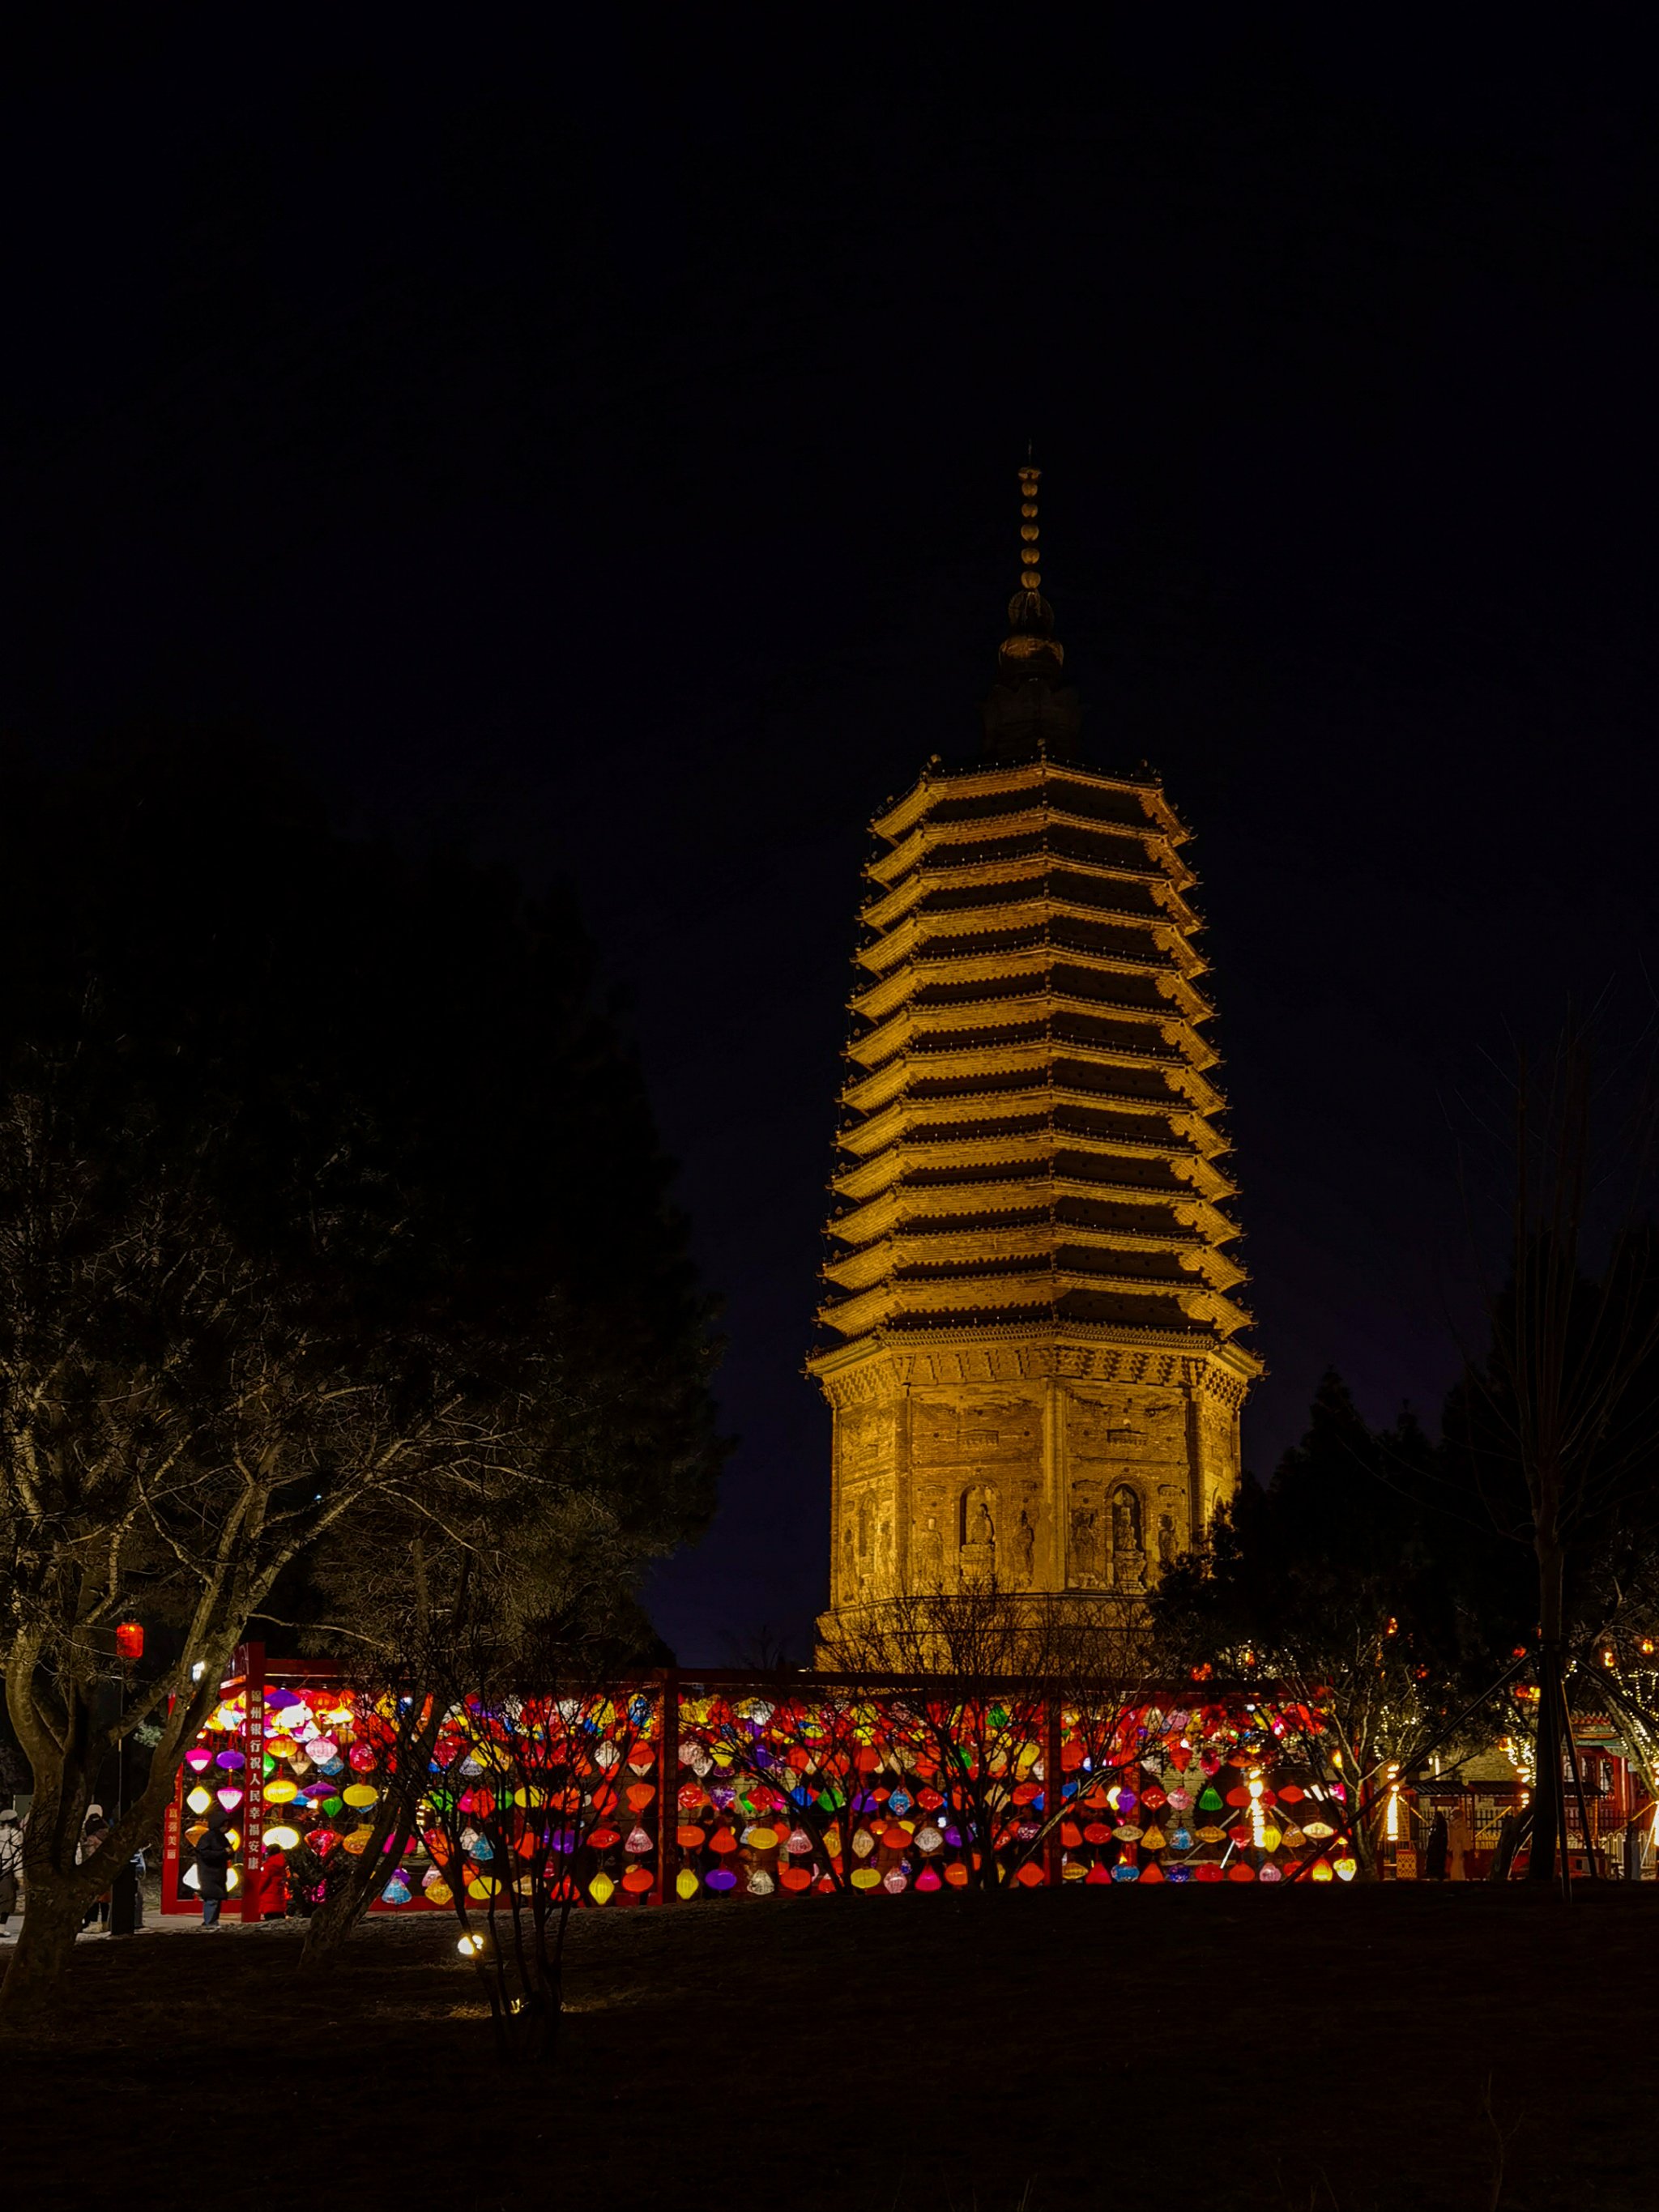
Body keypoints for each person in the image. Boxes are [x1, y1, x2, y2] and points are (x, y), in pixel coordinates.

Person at [194, 1812, 232, 1929]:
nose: (225, 1828)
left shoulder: (221, 1837)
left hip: (219, 1873)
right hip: (209, 1873)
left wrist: (228, 1853)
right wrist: (223, 1852)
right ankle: (209, 1922)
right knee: (212, 1898)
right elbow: (204, 1853)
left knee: (217, 1899)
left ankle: (213, 1921)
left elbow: (229, 1852)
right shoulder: (208, 1837)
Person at [78, 1803, 113, 1929]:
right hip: (107, 1870)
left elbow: (88, 1854)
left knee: (92, 1898)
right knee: (104, 1899)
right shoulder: (107, 1832)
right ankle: (105, 1922)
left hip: (93, 1871)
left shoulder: (90, 1836)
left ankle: (90, 1922)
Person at [0, 1808, 22, 1932]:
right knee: (7, 1901)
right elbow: (17, 1857)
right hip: (7, 1871)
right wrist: (19, 1876)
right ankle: (1, 1928)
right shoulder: (15, 1835)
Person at [1424, 1808, 1449, 1882]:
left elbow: (1441, 1838)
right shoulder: (1434, 1826)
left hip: (1439, 1849)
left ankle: (1438, 1874)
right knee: (1434, 1861)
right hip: (1434, 1849)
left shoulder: (1441, 1826)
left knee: (1439, 1862)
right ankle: (1433, 1873)